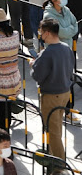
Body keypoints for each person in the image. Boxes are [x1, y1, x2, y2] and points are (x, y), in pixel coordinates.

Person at [32, 18, 75, 162]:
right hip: (65, 92)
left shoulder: (47, 53)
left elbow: (37, 76)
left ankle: (58, 163)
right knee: (57, 126)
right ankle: (52, 155)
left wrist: (34, 64)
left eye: (41, 31)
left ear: (48, 33)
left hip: (51, 95)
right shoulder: (66, 48)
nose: (40, 33)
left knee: (52, 130)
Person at [42, 0, 80, 126]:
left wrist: (68, 30)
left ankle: (68, 110)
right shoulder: (49, 16)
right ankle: (65, 111)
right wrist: (69, 30)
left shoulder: (66, 10)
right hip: (56, 55)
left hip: (68, 51)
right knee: (62, 83)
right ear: (53, 0)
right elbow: (62, 33)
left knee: (69, 80)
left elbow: (74, 24)